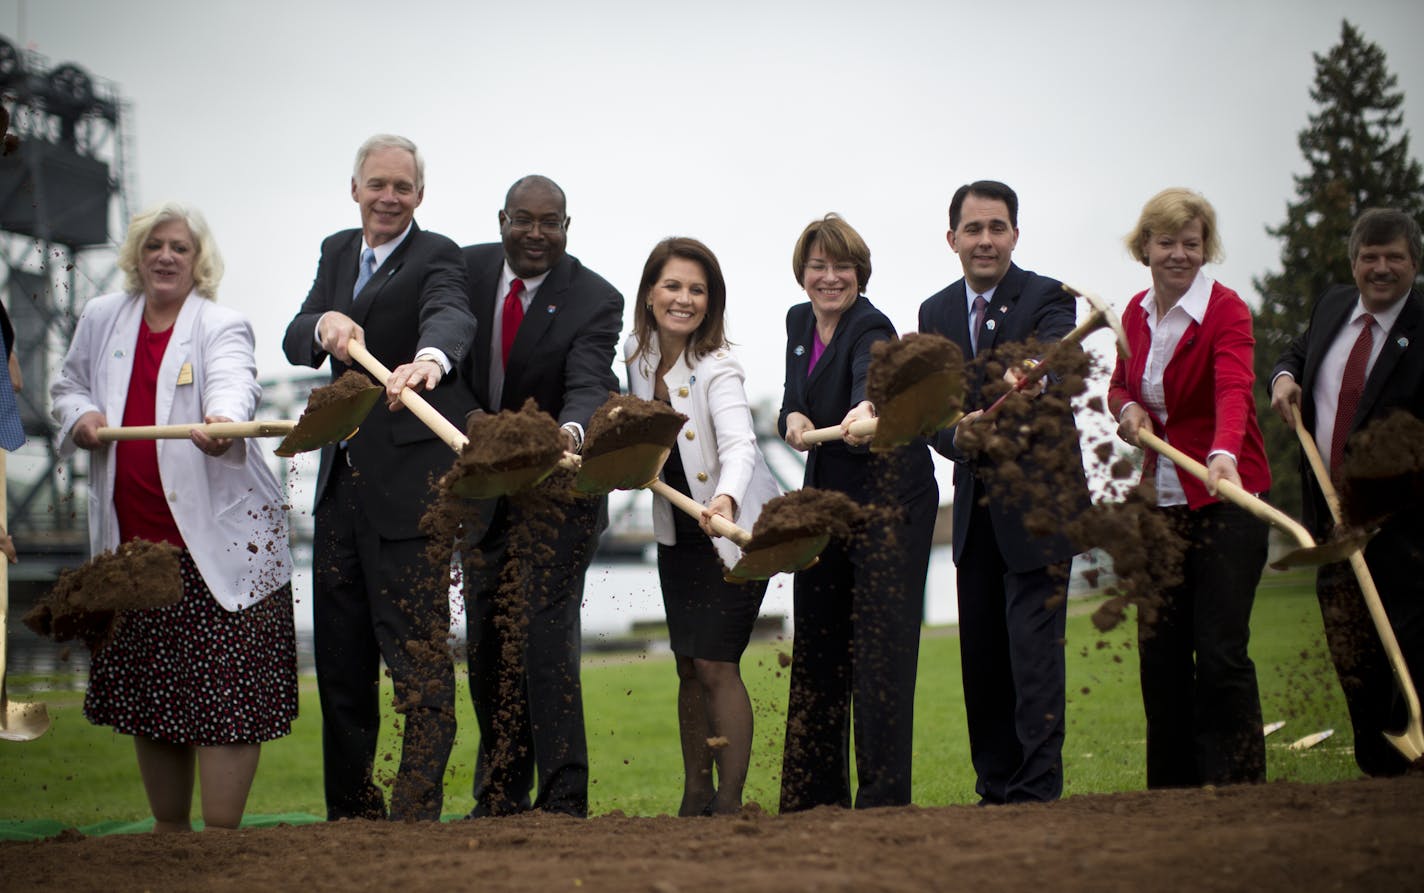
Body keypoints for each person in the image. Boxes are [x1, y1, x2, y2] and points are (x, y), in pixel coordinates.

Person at [51, 202, 296, 831]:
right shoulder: (103, 316)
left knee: (226, 701)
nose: (165, 256)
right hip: (134, 553)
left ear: (198, 262)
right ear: (136, 255)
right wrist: (81, 417)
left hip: (219, 553)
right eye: (155, 245)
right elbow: (69, 386)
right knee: (152, 698)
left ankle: (218, 839)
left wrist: (222, 421)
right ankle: (168, 836)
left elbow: (234, 384)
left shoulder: (220, 323)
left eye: (180, 248)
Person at [282, 134, 478, 822]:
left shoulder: (438, 255)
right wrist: (323, 324)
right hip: (340, 489)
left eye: (402, 186)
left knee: (418, 657)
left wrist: (429, 360)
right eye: (377, 184)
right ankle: (351, 812)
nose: (389, 196)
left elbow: (451, 314)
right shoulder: (338, 251)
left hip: (410, 495)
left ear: (419, 195)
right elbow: (293, 335)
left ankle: (416, 808)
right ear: (356, 188)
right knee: (340, 660)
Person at [918, 180, 1088, 804]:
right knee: (983, 659)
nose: (985, 240)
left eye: (997, 227)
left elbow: (1057, 359)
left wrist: (1036, 377)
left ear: (1015, 234)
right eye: (973, 229)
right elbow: (932, 411)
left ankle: (1036, 789)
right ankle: (993, 788)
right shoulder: (933, 314)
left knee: (1033, 656)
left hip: (1042, 508)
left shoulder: (1049, 298)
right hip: (974, 513)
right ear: (952, 239)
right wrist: (952, 435)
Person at [459, 175, 623, 818]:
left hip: (560, 494)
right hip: (481, 493)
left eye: (549, 222)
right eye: (523, 220)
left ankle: (563, 798)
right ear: (502, 219)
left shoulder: (594, 298)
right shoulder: (463, 271)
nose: (535, 233)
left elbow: (589, 382)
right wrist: (476, 427)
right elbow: (441, 355)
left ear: (566, 226)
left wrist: (569, 433)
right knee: (486, 643)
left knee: (545, 638)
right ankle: (499, 794)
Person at [1108, 188, 1272, 788]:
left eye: (1192, 243)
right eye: (1167, 242)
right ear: (1145, 247)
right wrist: (1127, 411)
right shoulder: (1133, 313)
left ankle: (1238, 789)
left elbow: (1234, 388)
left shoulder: (1226, 311)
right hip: (1162, 509)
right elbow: (1120, 387)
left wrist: (1223, 454)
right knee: (1161, 657)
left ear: (1206, 248)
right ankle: (1171, 798)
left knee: (1222, 653)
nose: (1179, 254)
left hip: (1228, 498)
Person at [778, 213, 938, 810]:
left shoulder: (872, 324)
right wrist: (791, 418)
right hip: (829, 502)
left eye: (841, 266)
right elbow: (796, 398)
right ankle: (811, 799)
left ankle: (882, 800)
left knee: (879, 648)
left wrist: (863, 407)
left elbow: (869, 382)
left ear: (859, 273)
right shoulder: (798, 320)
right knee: (818, 640)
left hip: (891, 504)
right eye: (818, 265)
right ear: (803, 272)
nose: (829, 277)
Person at [625, 237, 781, 816]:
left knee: (717, 663)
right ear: (648, 294)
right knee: (688, 663)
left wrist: (726, 500)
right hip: (680, 536)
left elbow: (740, 446)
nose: (684, 299)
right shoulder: (636, 358)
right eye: (673, 286)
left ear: (710, 302)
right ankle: (695, 794)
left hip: (735, 535)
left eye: (697, 289)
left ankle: (730, 802)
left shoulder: (719, 367)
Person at [1270, 207, 1424, 777]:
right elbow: (1297, 353)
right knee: (1352, 659)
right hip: (1330, 529)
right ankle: (1375, 782)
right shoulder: (1334, 306)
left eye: (1394, 258)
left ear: (1414, 263)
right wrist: (1282, 378)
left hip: (1403, 536)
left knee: (1405, 659)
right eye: (1370, 258)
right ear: (1353, 262)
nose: (1380, 269)